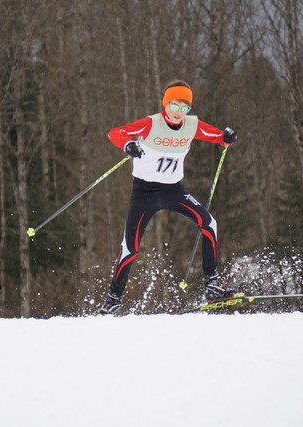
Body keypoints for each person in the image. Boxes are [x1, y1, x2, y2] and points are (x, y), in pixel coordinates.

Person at [97, 80, 238, 315]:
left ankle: (212, 283)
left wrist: (227, 137)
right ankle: (113, 299)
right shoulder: (151, 124)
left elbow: (217, 136)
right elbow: (115, 133)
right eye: (174, 105)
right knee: (129, 248)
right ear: (166, 104)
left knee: (209, 224)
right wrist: (129, 145)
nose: (178, 112)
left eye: (185, 108)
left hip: (174, 191)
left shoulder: (191, 125)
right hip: (144, 193)